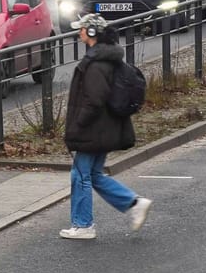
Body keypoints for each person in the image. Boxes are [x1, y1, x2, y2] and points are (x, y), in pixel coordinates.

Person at [59, 14, 151, 240]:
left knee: (79, 175)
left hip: (94, 130)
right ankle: (134, 203)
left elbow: (95, 99)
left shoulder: (95, 64)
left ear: (92, 33)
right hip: (106, 128)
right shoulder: (107, 59)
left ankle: (83, 225)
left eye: (82, 29)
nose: (79, 32)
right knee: (93, 174)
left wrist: (78, 125)